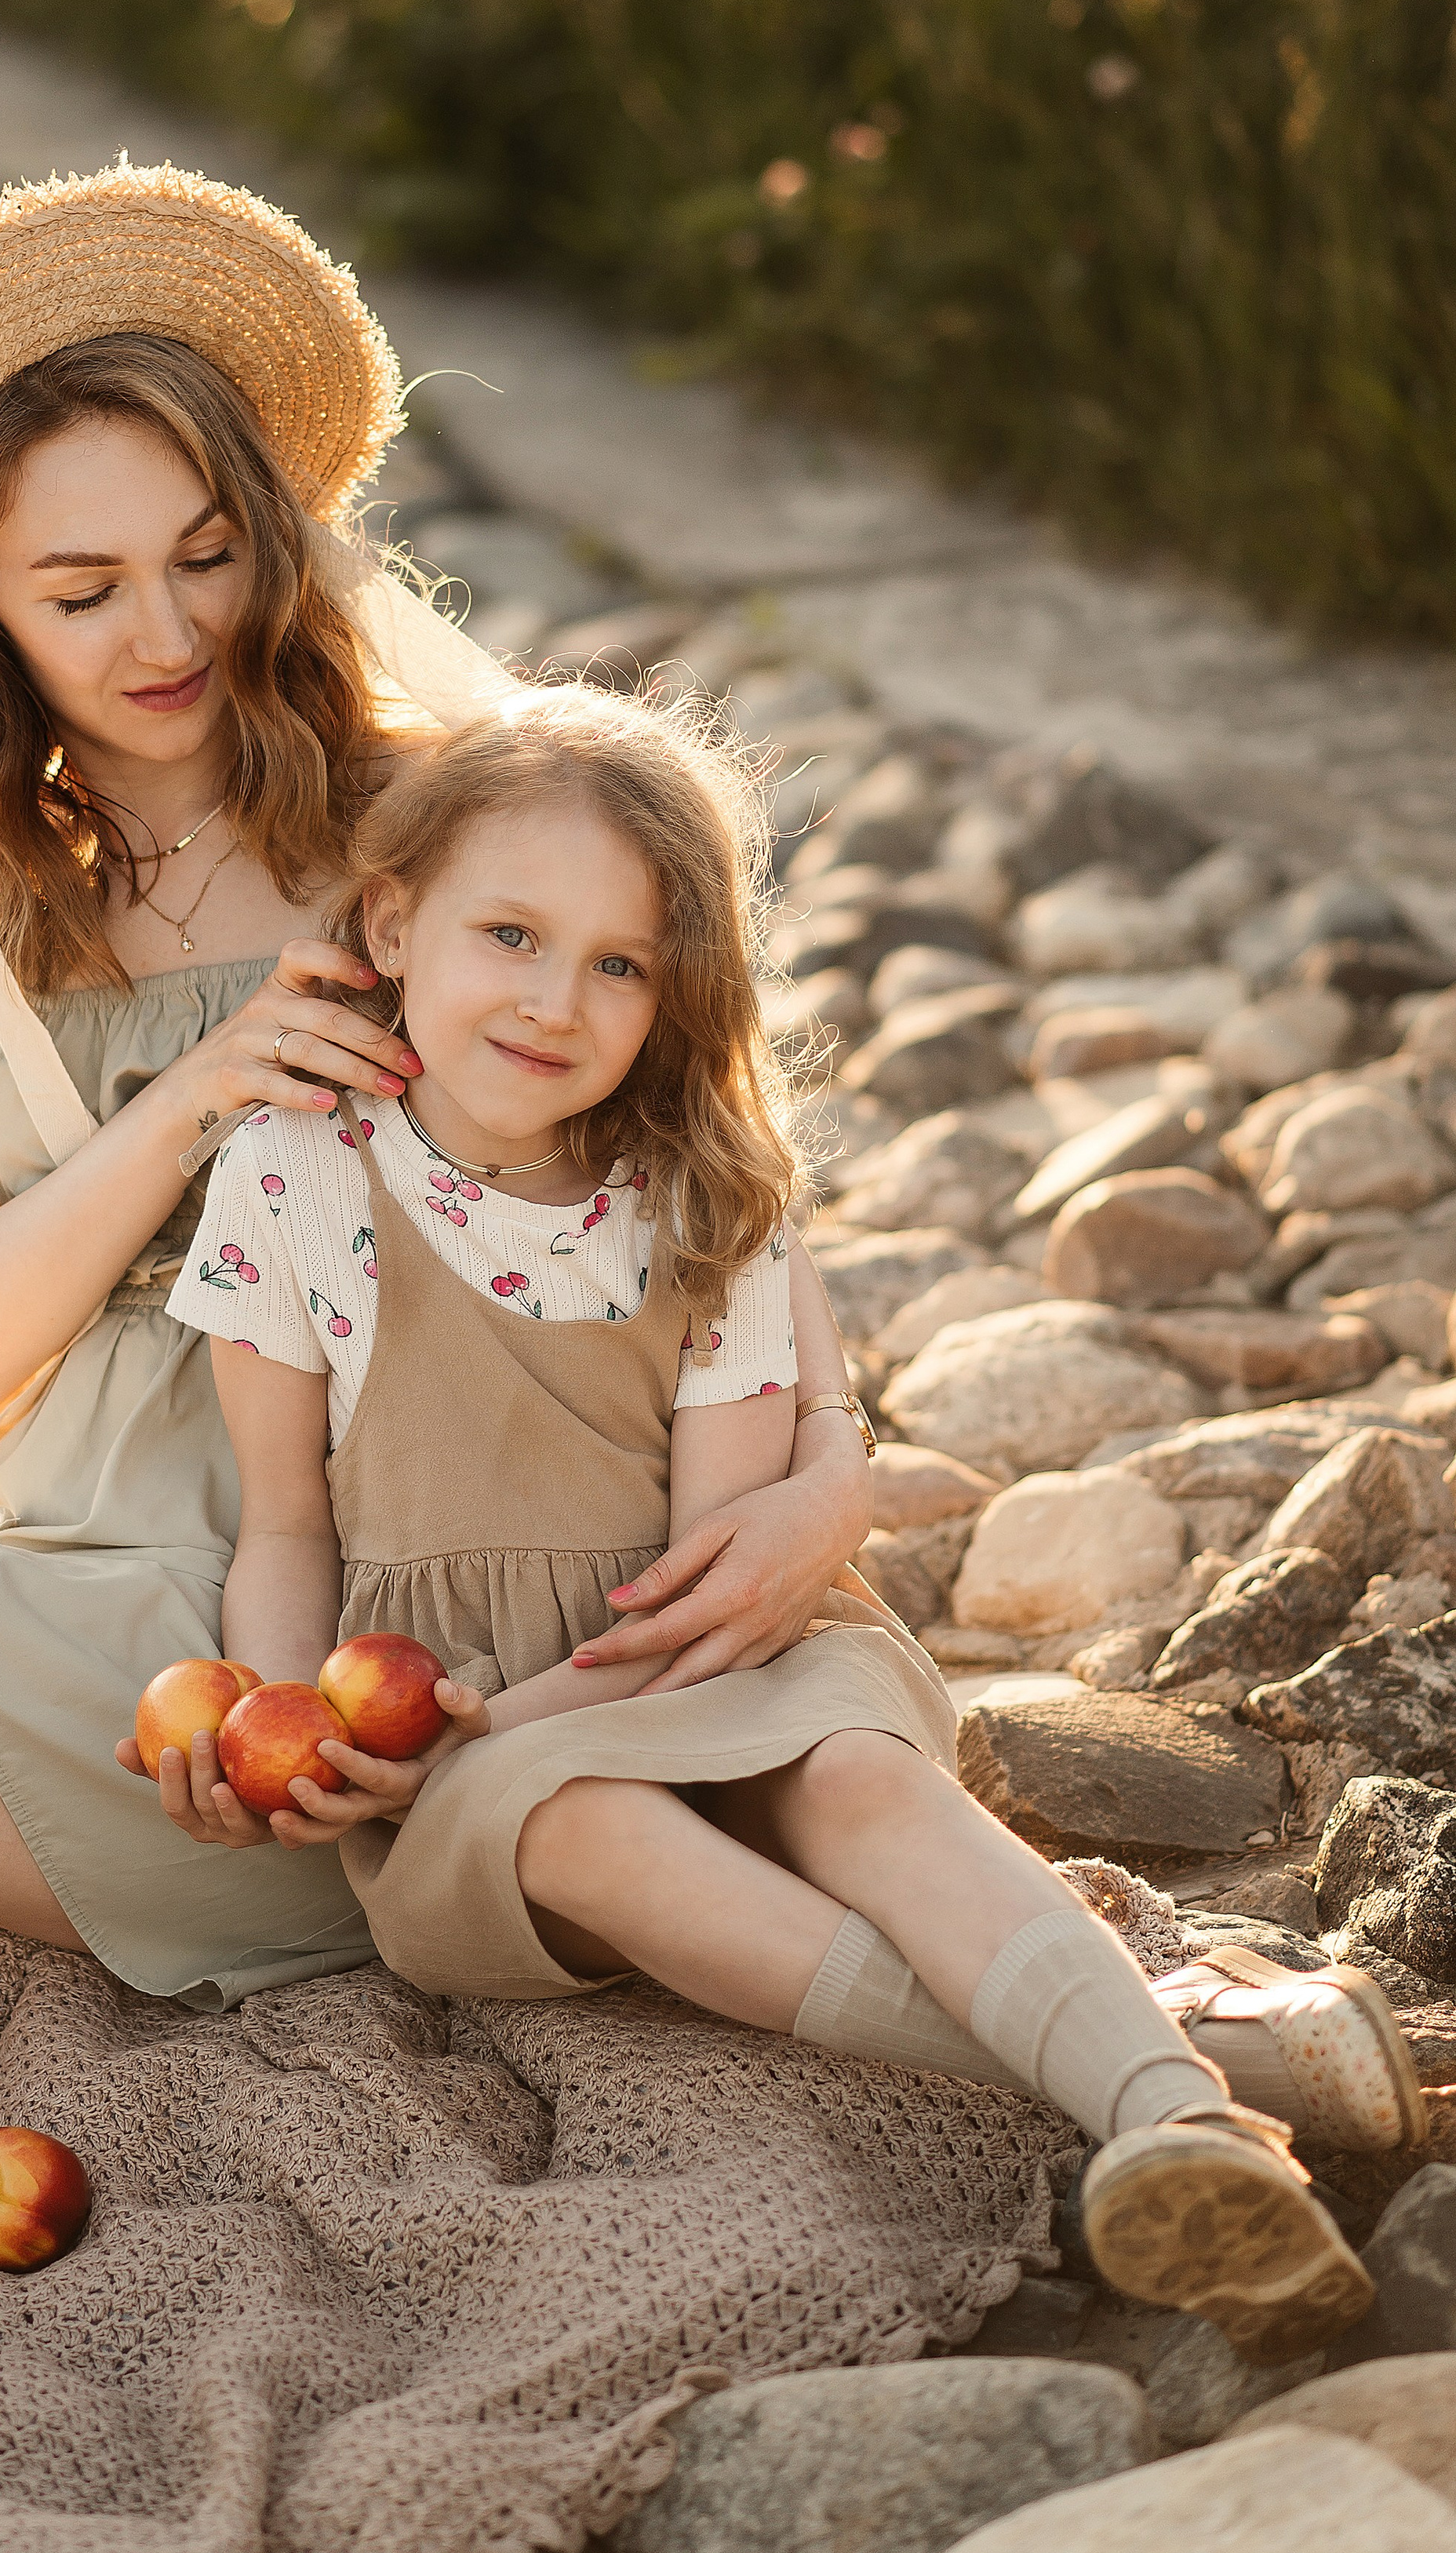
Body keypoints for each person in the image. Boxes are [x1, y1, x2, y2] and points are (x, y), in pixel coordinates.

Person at [0, 165, 872, 2005]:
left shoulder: (428, 825)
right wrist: (191, 1097)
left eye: (205, 554)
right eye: (80, 587)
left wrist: (832, 1476)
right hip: (32, 1585)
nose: (164, 634)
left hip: (287, 1628)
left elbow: (710, 1175)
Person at [148, 684, 1413, 2360]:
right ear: (393, 918)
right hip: (470, 1739)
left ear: (678, 989)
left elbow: (712, 1589)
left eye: (619, 963)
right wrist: (283, 1721)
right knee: (583, 1828)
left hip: (704, 1649)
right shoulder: (294, 1177)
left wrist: (524, 1714)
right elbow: (286, 1525)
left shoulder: (700, 1197)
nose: (553, 998)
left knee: (864, 1778)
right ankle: (1190, 2070)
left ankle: (1168, 2123)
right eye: (510, 933)